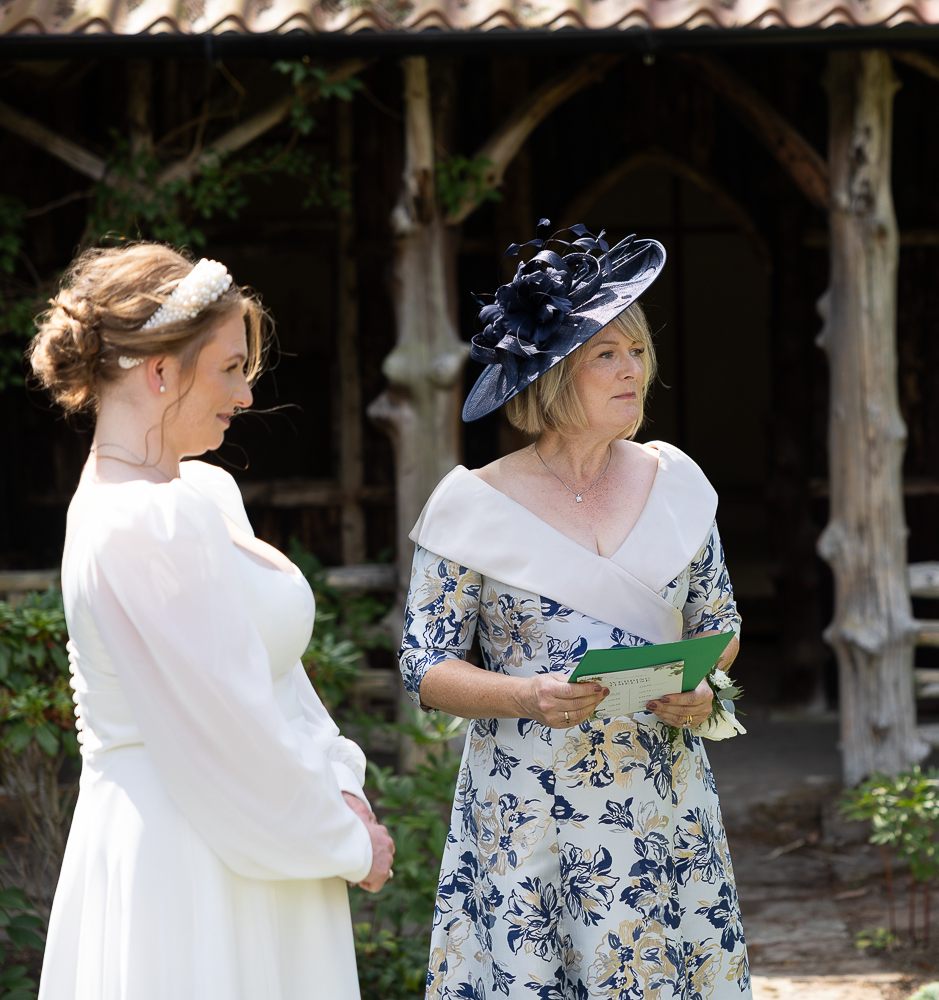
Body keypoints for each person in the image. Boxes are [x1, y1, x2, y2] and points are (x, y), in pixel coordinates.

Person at [29, 244, 395, 1000]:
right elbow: (227, 727)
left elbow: (268, 678)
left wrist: (339, 777)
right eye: (230, 368)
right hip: (193, 856)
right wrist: (345, 842)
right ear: (161, 372)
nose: (247, 394)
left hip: (263, 826)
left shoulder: (201, 494)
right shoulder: (138, 521)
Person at [399, 227, 751, 1000]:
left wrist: (702, 688)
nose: (633, 370)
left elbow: (718, 625)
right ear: (553, 374)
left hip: (662, 804)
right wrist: (526, 695)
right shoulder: (471, 505)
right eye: (606, 355)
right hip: (529, 812)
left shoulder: (677, 481)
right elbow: (424, 663)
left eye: (638, 351)